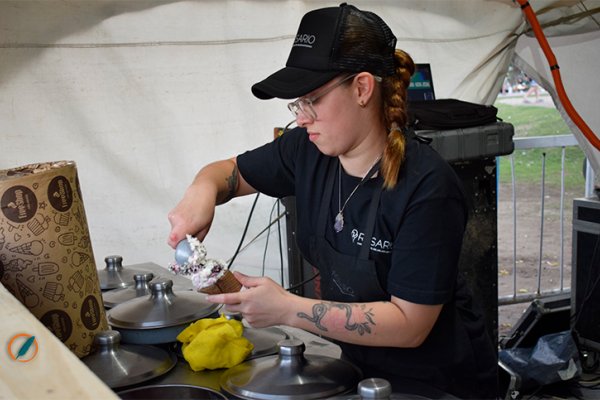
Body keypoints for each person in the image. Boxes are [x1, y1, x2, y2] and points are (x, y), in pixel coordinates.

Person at [168, 4, 498, 398]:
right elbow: (229, 172)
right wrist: (201, 192)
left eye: (312, 100)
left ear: (362, 88)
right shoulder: (306, 150)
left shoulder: (427, 187)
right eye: (296, 104)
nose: (301, 117)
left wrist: (289, 309)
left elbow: (410, 325)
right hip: (353, 366)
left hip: (431, 381)